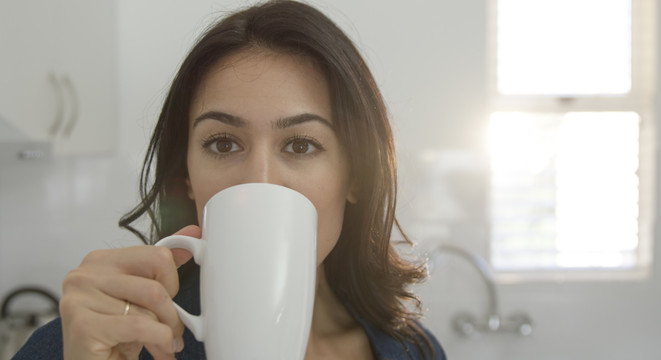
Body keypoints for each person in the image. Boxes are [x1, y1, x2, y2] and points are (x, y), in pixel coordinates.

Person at [13, 1, 446, 359]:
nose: (259, 181)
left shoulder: (412, 351)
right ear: (186, 178)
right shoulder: (85, 346)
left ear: (355, 178)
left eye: (300, 146)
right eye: (223, 144)